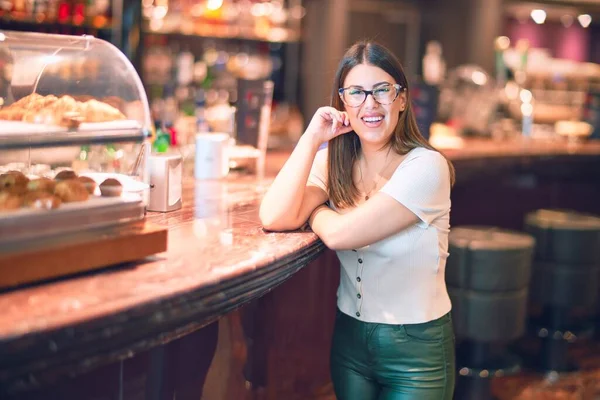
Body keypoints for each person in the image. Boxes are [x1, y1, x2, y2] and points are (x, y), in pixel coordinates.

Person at [259, 41, 456, 400]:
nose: (370, 104)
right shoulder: (336, 161)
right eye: (356, 92)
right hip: (350, 341)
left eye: (382, 90)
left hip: (416, 352)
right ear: (343, 102)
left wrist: (317, 210)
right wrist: (312, 136)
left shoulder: (427, 167)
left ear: (401, 99)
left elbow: (341, 235)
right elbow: (274, 216)